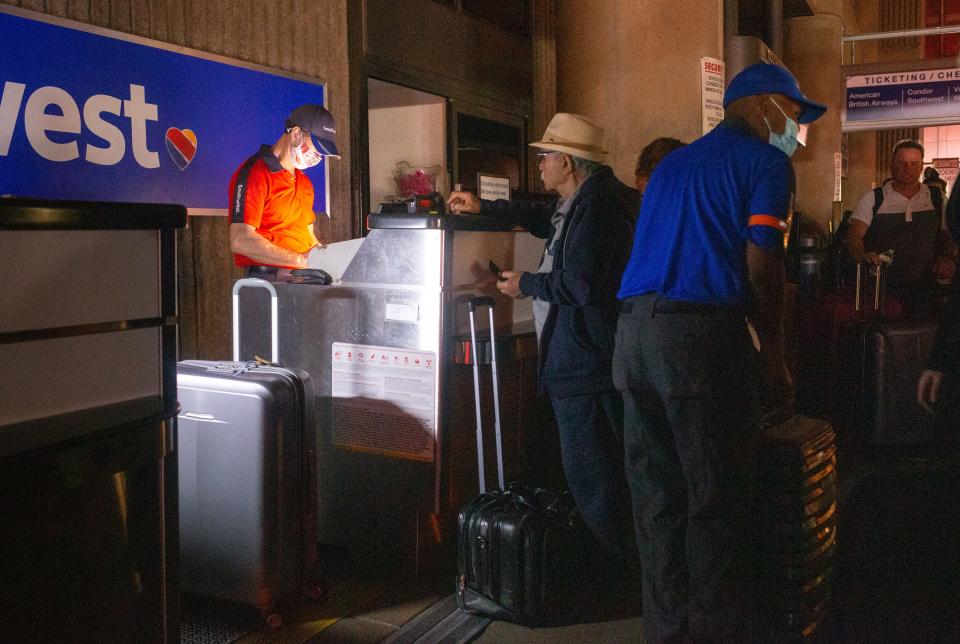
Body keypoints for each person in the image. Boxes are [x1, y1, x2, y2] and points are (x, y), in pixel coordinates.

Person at [613, 62, 826, 642]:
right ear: (761, 106)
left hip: (632, 339)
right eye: (794, 114)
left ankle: (667, 631)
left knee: (657, 501)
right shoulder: (766, 163)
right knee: (715, 498)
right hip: (697, 343)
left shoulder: (671, 166)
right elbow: (762, 261)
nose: (797, 129)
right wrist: (775, 352)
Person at [447, 112, 639, 568]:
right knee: (604, 469)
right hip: (590, 357)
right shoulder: (583, 201)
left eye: (546, 155)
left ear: (569, 163)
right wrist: (484, 208)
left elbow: (587, 284)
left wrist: (527, 285)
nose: (539, 164)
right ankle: (630, 566)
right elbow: (537, 215)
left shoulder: (600, 207)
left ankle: (622, 572)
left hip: (585, 362)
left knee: (593, 472)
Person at [846, 140, 957, 314]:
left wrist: (949, 258)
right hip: (882, 291)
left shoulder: (936, 198)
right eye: (901, 163)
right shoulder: (874, 198)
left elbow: (948, 235)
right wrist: (861, 255)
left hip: (927, 288)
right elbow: (854, 236)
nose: (908, 168)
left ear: (921, 166)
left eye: (914, 163)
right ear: (891, 165)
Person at [229, 104, 340, 278]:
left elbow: (308, 238)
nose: (317, 157)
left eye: (322, 154)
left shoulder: (305, 183)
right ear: (295, 134)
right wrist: (301, 261)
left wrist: (329, 260)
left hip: (305, 280)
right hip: (269, 281)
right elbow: (240, 240)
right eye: (316, 149)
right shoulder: (256, 173)